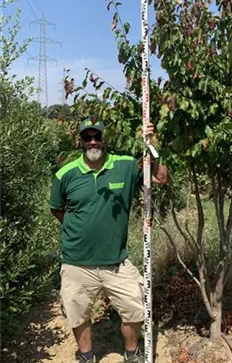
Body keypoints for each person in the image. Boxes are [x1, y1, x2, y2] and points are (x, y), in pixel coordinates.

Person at [49, 116, 167, 363]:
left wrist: (151, 145)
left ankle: (132, 353)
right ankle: (87, 355)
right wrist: (80, 230)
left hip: (116, 262)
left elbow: (160, 177)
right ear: (80, 141)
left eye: (97, 137)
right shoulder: (65, 174)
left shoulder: (124, 165)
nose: (93, 142)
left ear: (105, 140)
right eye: (87, 137)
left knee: (136, 309)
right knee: (78, 315)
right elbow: (57, 209)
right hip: (77, 262)